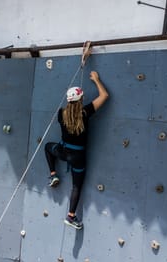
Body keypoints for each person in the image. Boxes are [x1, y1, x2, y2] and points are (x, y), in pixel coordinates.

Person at [44, 71, 109, 230]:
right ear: (81, 99)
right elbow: (104, 95)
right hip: (78, 156)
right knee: (76, 186)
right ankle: (70, 216)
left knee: (47, 147)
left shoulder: (61, 113)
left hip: (63, 151)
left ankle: (53, 175)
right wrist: (96, 80)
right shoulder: (85, 113)